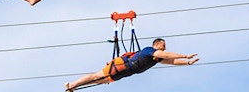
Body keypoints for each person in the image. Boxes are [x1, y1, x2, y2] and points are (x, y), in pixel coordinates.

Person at [65, 38, 198, 90]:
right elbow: (167, 55)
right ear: (157, 44)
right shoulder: (149, 50)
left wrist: (187, 63)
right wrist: (185, 55)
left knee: (100, 80)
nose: (164, 48)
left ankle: (74, 87)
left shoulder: (157, 58)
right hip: (121, 66)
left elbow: (171, 61)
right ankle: (72, 84)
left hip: (124, 72)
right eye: (163, 45)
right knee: (96, 76)